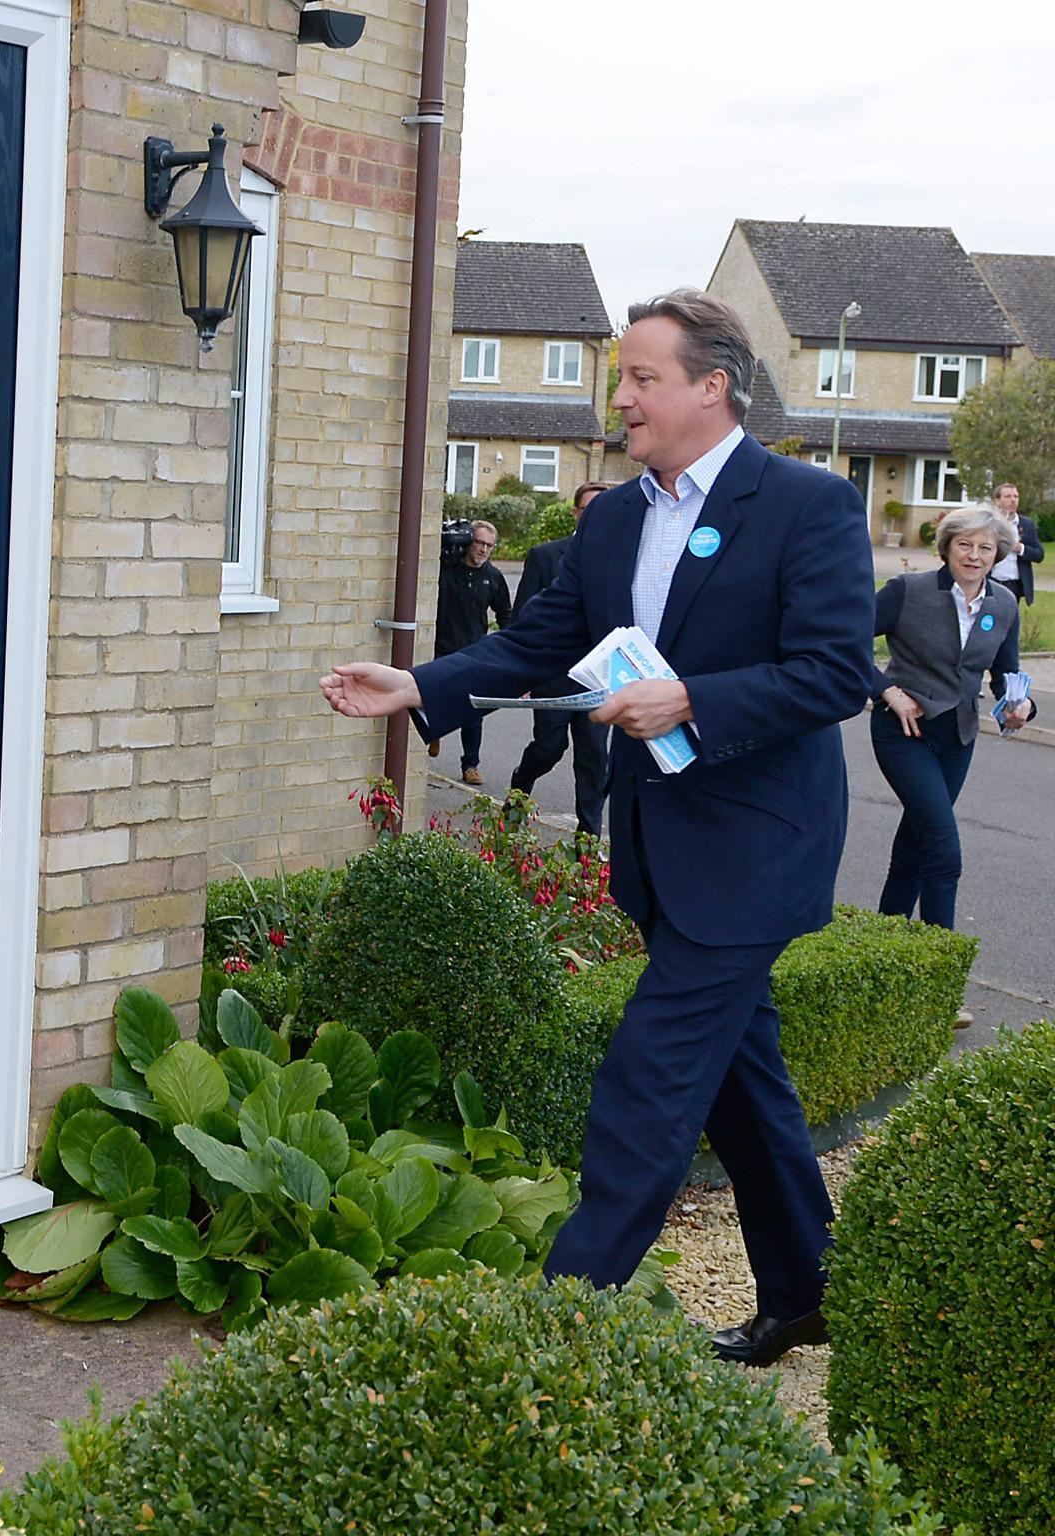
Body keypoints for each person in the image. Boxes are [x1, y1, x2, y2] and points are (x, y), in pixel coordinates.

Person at [320, 289, 875, 1368]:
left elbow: (833, 672)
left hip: (757, 849)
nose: (617, 396)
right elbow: (538, 644)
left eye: (639, 377)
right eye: (619, 376)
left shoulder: (804, 505)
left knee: (646, 1081)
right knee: (738, 1079)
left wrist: (692, 702)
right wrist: (419, 685)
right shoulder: (614, 517)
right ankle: (804, 1288)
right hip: (663, 851)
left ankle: (547, 1331)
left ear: (709, 388)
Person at [871, 503, 1036, 929]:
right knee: (943, 851)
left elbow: (1005, 673)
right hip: (903, 730)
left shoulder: (1003, 604)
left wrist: (1020, 706)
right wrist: (888, 692)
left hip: (957, 738)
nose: (974, 555)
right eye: (964, 544)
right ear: (947, 548)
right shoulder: (907, 590)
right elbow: (843, 641)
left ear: (997, 554)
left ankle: (887, 938)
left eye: (985, 547)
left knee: (916, 843)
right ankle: (942, 960)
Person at [506, 481, 612, 835]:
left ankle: (588, 839)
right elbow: (522, 617)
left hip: (599, 679)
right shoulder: (545, 556)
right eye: (590, 509)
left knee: (594, 758)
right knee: (550, 748)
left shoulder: (622, 558)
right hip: (554, 676)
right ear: (576, 513)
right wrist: (520, 674)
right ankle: (521, 784)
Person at [426, 519, 511, 785]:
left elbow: (505, 613)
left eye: (489, 545)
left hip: (474, 650)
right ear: (468, 542)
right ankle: (434, 731)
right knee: (434, 697)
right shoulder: (446, 570)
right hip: (442, 646)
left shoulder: (493, 577)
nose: (484, 550)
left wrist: (511, 649)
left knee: (474, 711)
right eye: (480, 543)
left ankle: (470, 764)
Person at [988, 482, 1043, 605]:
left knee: (1010, 621)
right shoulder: (989, 523)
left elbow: (1039, 555)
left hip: (1014, 585)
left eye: (1016, 496)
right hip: (991, 581)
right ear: (997, 501)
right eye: (1008, 497)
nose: (1013, 500)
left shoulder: (1026, 524)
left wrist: (1020, 548)